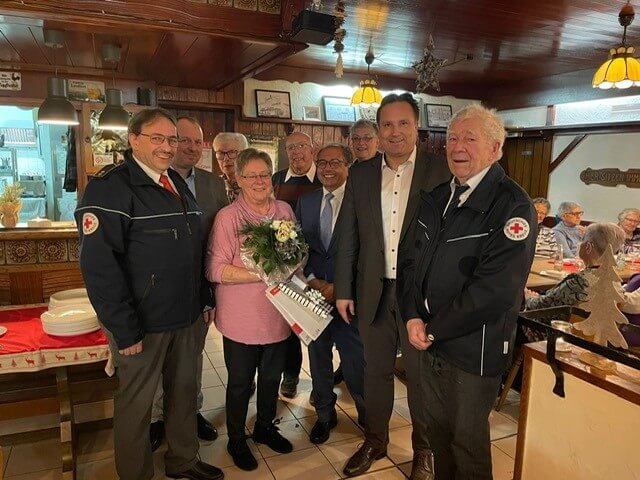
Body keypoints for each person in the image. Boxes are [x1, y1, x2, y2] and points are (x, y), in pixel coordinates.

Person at [75, 108, 223, 480]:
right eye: (157, 138)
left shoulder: (174, 181)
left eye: (172, 139)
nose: (167, 147)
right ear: (134, 139)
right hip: (142, 323)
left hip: (186, 317)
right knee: (137, 405)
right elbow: (99, 267)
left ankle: (183, 460)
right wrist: (123, 329)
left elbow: (194, 249)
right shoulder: (110, 187)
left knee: (184, 393)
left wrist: (205, 296)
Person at [397, 104, 537, 480]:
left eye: (470, 139)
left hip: (473, 350)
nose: (458, 146)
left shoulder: (512, 206)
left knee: (467, 445)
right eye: (453, 138)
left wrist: (432, 329)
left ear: (495, 148)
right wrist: (412, 315)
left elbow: (495, 290)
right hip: (428, 341)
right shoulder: (437, 196)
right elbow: (408, 264)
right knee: (438, 436)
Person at [334, 92, 450, 478]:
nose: (394, 131)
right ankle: (375, 440)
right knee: (375, 371)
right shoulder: (362, 173)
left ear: (417, 127)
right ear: (378, 130)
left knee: (421, 377)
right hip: (374, 291)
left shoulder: (440, 170)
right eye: (387, 124)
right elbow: (348, 235)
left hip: (421, 296)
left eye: (403, 123)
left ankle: (425, 449)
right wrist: (344, 289)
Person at [206, 148, 294, 471]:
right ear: (239, 179)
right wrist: (262, 272)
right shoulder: (228, 218)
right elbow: (214, 269)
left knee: (271, 379)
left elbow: (293, 254)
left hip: (277, 315)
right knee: (241, 382)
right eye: (251, 175)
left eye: (264, 174)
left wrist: (293, 263)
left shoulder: (283, 211)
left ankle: (264, 428)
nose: (259, 181)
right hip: (241, 319)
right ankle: (236, 439)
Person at [149, 116, 229, 451]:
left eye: (198, 142)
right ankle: (157, 419)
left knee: (193, 355)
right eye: (184, 140)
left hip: (199, 287)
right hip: (159, 290)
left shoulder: (213, 184)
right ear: (170, 142)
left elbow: (223, 237)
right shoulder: (152, 180)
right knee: (158, 360)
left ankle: (191, 412)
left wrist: (212, 292)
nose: (192, 147)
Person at [296, 143, 365, 444]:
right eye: (322, 162)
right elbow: (300, 248)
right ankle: (325, 415)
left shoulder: (362, 201)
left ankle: (368, 416)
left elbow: (369, 251)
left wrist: (341, 287)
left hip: (350, 298)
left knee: (356, 362)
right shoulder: (307, 201)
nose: (327, 168)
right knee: (318, 358)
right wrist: (312, 281)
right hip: (314, 296)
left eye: (335, 162)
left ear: (348, 166)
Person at [272, 131, 322, 398]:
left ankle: (321, 384)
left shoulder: (324, 177)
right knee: (290, 325)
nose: (296, 152)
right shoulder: (277, 180)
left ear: (312, 149)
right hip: (287, 267)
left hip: (321, 265)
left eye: (302, 146)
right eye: (291, 148)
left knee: (320, 328)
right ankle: (290, 375)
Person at [525, 223, 626, 311]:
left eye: (582, 240)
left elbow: (539, 306)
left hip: (557, 326)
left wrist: (529, 297)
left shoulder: (580, 281)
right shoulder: (614, 279)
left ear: (588, 247)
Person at [213, 132, 248, 203]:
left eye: (232, 152)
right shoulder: (213, 185)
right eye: (221, 153)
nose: (226, 159)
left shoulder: (256, 184)